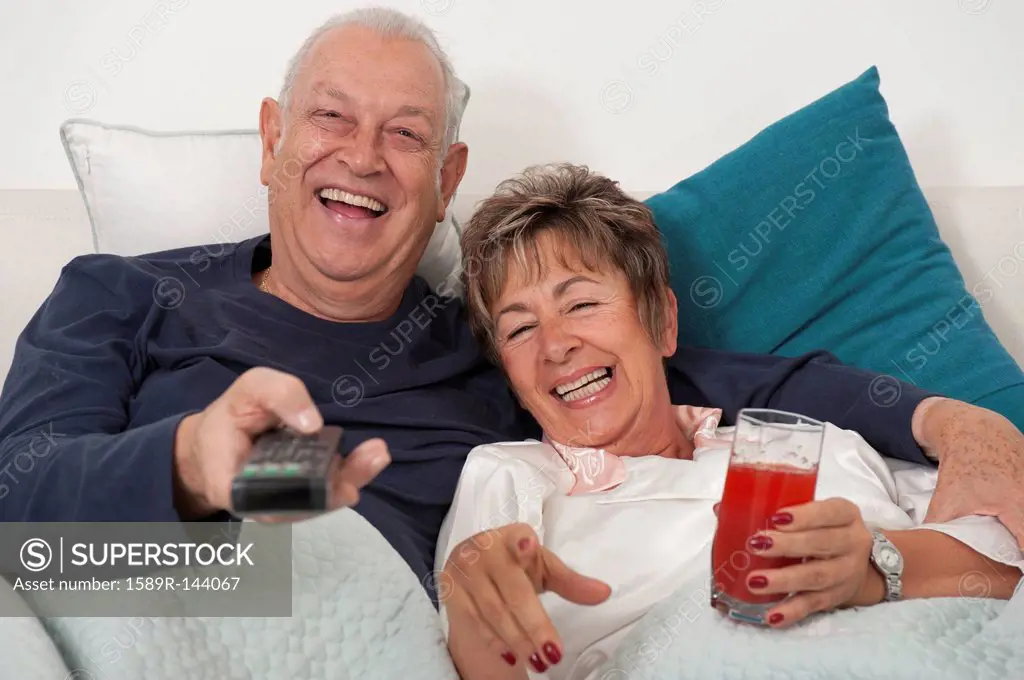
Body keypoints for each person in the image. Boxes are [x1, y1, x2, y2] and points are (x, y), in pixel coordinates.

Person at [0, 8, 1021, 605]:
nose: (361, 157)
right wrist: (188, 465)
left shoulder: (496, 353)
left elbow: (693, 378)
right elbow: (19, 511)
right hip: (142, 588)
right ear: (272, 140)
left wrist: (949, 416)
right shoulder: (122, 295)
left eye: (404, 135)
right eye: (330, 118)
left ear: (446, 179)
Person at [436, 163, 1024, 680]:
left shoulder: (807, 444)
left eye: (582, 303)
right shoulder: (508, 476)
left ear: (662, 322)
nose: (556, 345)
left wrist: (873, 569)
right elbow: (484, 649)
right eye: (519, 328)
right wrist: (471, 607)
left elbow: (1003, 566)